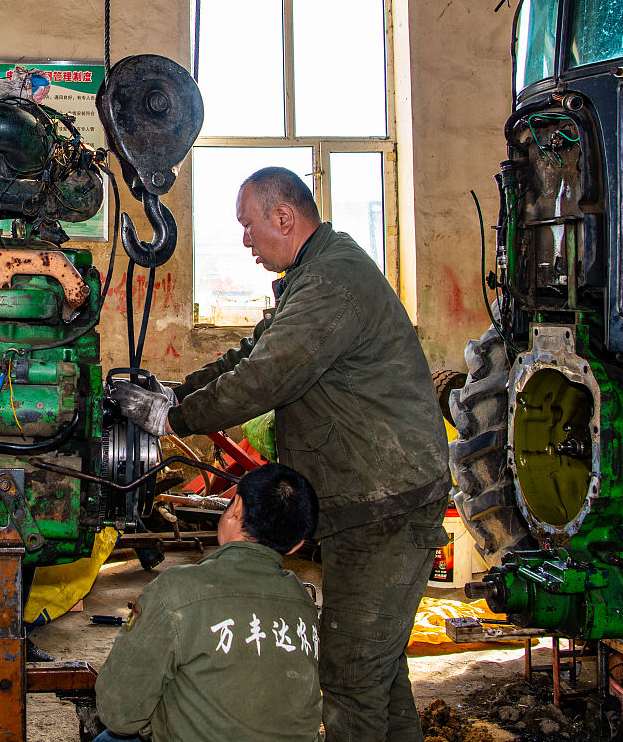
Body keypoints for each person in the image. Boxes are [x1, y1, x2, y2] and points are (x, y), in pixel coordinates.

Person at [112, 166, 450, 742]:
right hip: (371, 502)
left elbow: (265, 377)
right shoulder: (311, 275)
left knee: (349, 683)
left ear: (284, 216)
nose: (245, 240)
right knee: (380, 673)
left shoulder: (332, 282)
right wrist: (175, 392)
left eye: (248, 226)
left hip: (386, 507)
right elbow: (248, 355)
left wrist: (172, 419)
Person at [94, 463, 322, 742]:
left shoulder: (175, 591)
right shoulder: (303, 600)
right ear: (297, 545)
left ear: (235, 507)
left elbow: (118, 713)